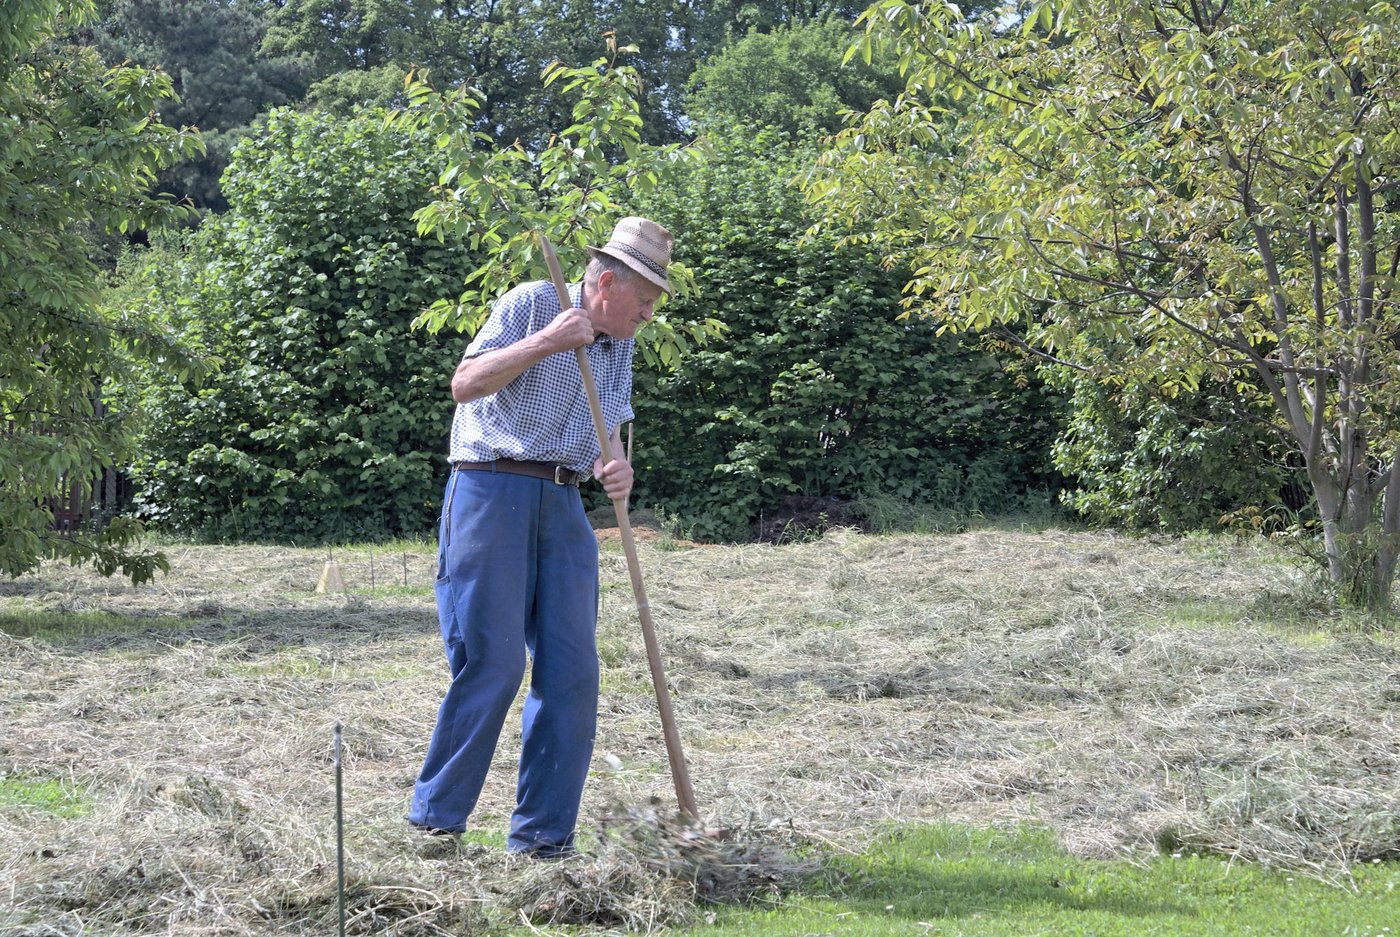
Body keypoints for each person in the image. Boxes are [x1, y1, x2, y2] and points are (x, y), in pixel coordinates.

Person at [408, 217, 674, 857]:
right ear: (607, 282)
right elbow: (465, 384)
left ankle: (543, 840)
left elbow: (611, 429)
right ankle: (437, 823)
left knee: (574, 672)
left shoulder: (623, 344)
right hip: (491, 487)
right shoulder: (532, 303)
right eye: (644, 301)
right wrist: (548, 342)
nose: (647, 314)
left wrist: (618, 464)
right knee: (493, 664)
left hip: (564, 502)